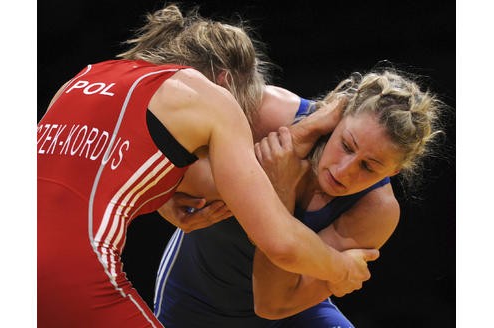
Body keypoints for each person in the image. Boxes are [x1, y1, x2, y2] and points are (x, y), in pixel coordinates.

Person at [37, 4, 377, 327]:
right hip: (69, 271)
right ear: (226, 82)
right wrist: (341, 269)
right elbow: (281, 244)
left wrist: (161, 197)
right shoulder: (210, 96)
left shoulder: (85, 77)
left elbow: (83, 170)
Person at [153, 69, 443, 327]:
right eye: (346, 144)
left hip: (285, 313)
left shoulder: (376, 210)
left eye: (369, 167)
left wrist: (282, 190)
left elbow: (272, 304)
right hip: (197, 297)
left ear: (395, 170)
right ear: (339, 117)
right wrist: (161, 199)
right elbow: (154, 131)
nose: (344, 171)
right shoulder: (269, 113)